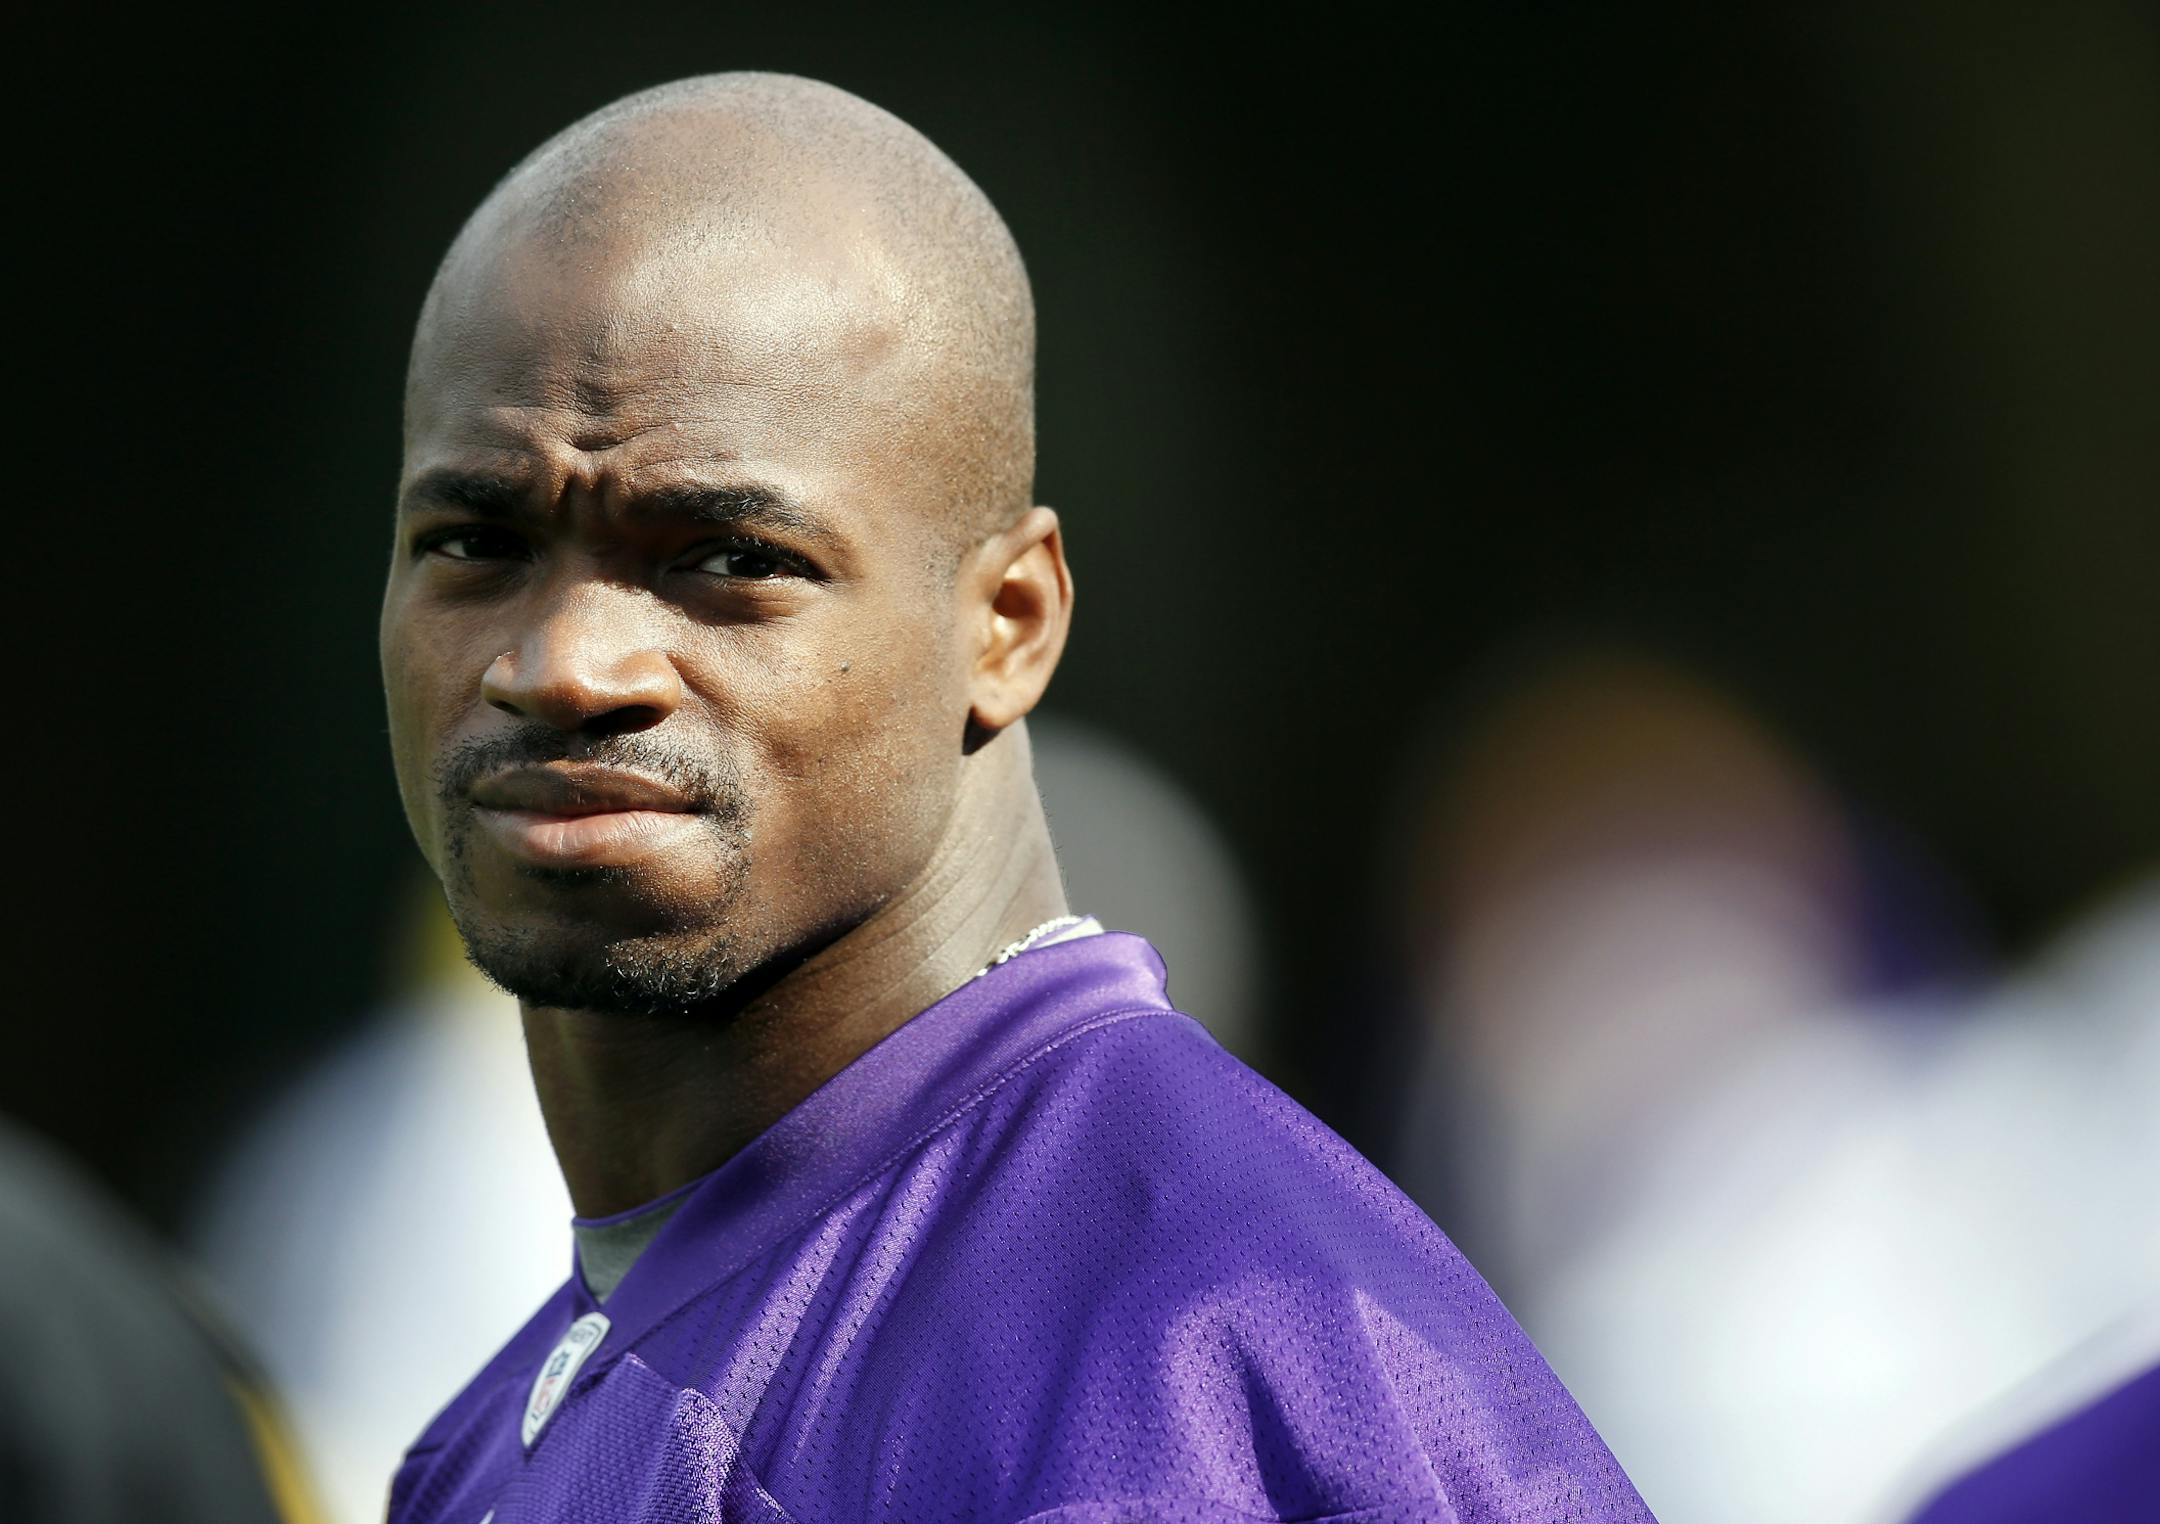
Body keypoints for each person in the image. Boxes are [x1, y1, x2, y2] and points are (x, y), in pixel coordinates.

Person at [377, 72, 1650, 1523]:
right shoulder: (505, 1432)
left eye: (725, 557)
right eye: (476, 541)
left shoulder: (1185, 1368)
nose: (566, 662)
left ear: (1011, 624)